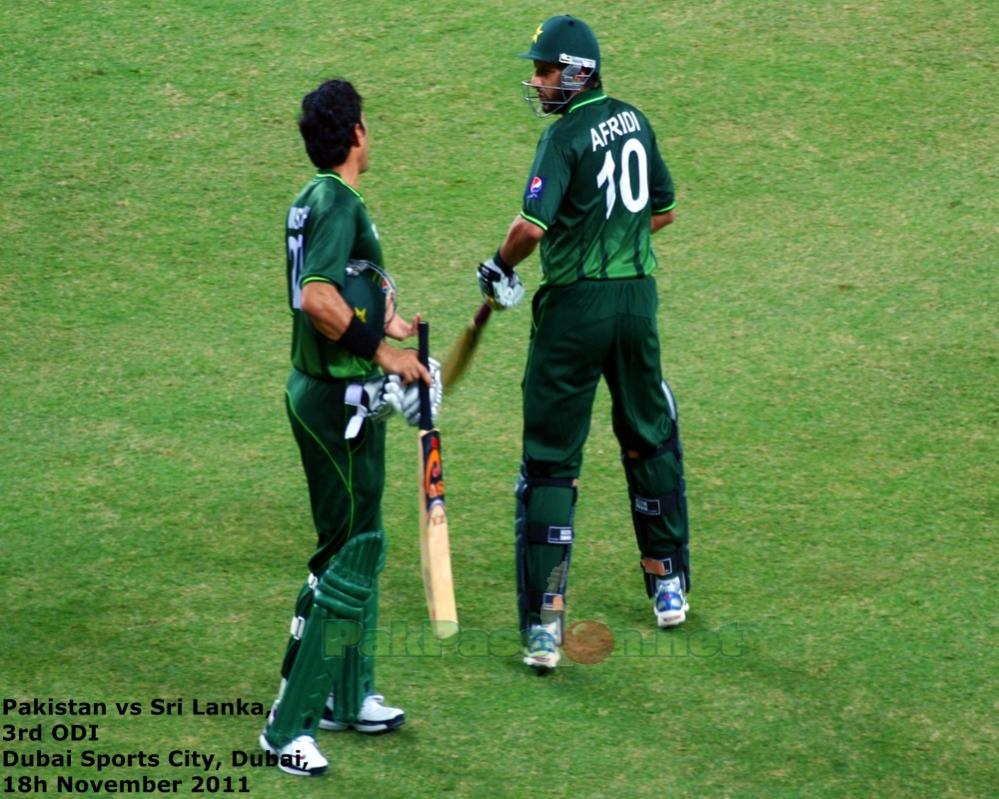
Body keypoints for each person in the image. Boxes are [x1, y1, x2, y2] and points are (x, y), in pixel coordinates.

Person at [475, 16, 691, 671]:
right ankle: (667, 584)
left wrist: (498, 265)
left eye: (544, 71)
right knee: (646, 431)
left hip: (574, 308)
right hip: (635, 301)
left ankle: (544, 627)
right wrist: (613, 234)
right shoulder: (633, 118)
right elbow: (663, 209)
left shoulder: (563, 136)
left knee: (550, 459)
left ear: (575, 73)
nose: (536, 82)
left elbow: (531, 227)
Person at [259, 78, 442, 776]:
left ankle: (346, 692)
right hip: (332, 401)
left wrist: (389, 326)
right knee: (340, 558)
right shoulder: (334, 201)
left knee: (365, 541)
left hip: (349, 397)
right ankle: (287, 726)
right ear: (357, 133)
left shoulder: (320, 198)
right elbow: (316, 298)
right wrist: (387, 354)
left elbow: (346, 288)